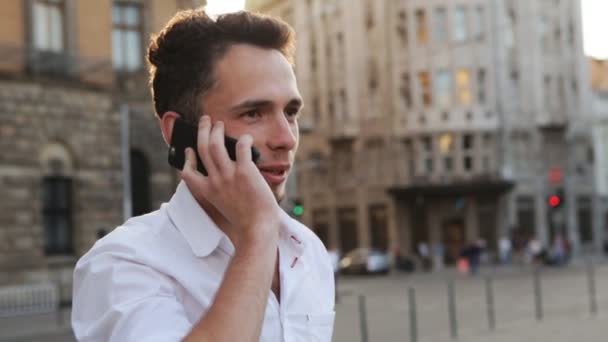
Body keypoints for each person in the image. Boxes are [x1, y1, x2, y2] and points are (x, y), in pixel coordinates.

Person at [71, 9, 335, 342]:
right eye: (254, 113)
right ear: (180, 132)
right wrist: (258, 235)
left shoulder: (306, 250)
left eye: (291, 112)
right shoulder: (121, 265)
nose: (286, 138)